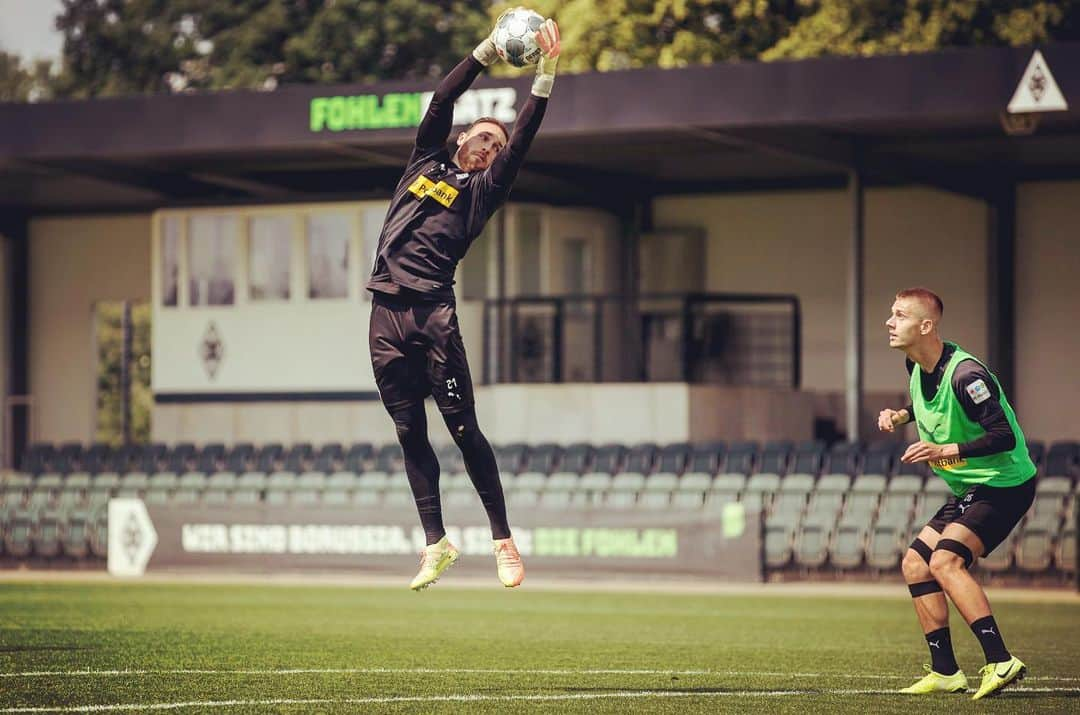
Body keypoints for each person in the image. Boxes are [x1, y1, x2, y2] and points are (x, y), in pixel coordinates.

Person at [366, 10, 561, 591]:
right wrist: (487, 50)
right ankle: (437, 545)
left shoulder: (483, 193)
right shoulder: (425, 160)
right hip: (384, 314)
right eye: (485, 137)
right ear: (461, 138)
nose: (491, 147)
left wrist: (545, 71)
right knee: (407, 431)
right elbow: (445, 94)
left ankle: (503, 539)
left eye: (497, 146)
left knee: (463, 430)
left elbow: (524, 135)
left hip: (433, 316)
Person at [878, 287, 1036, 700]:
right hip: (972, 485)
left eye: (899, 315)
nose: (889, 322)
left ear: (926, 325)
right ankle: (946, 671)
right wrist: (901, 415)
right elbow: (926, 401)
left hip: (1005, 483)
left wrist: (944, 449)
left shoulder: (968, 375)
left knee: (946, 560)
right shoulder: (914, 366)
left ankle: (1000, 660)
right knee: (916, 563)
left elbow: (1002, 435)